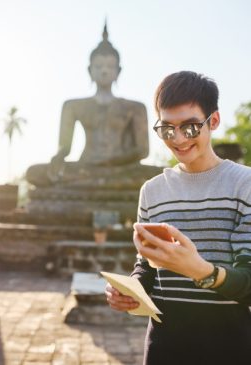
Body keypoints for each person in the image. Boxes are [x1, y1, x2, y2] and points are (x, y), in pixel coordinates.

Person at [105, 71, 251, 365]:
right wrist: (132, 289)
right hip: (164, 345)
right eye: (167, 129)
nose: (179, 139)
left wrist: (201, 271)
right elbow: (146, 265)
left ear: (214, 121)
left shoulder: (244, 185)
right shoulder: (152, 190)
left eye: (191, 127)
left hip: (228, 345)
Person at [26, 25, 149, 187]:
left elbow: (142, 150)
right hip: (85, 167)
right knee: (34, 172)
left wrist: (111, 162)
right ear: (89, 70)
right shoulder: (73, 106)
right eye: (98, 66)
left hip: (121, 169)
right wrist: (58, 157)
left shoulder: (135, 108)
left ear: (118, 71)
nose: (104, 71)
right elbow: (65, 147)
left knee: (160, 176)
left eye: (110, 66)